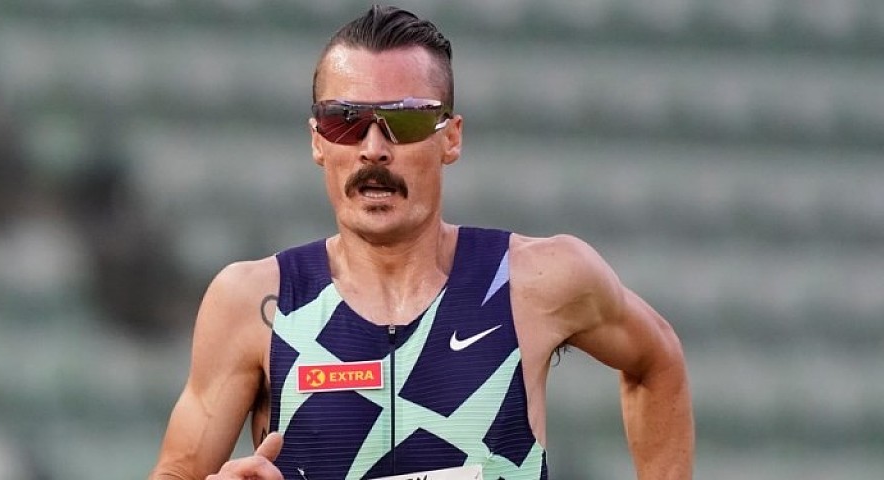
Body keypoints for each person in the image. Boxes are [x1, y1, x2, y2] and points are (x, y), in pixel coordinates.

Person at [150, 5, 693, 480]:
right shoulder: (253, 301)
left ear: (450, 137)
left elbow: (657, 358)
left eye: (404, 121)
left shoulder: (538, 279)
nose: (373, 148)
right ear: (317, 140)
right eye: (345, 121)